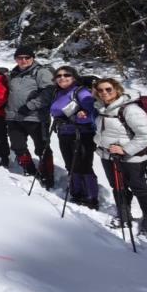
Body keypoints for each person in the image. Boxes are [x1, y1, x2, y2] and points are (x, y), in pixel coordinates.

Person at [94, 77, 147, 233]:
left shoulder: (130, 110)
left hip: (131, 158)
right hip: (108, 156)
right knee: (117, 186)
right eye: (100, 90)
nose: (104, 92)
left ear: (117, 89)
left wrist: (125, 150)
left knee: (139, 188)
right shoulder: (102, 109)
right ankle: (124, 216)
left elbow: (145, 135)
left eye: (108, 89)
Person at [5, 46, 55, 187]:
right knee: (17, 146)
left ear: (33, 58)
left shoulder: (41, 72)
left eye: (27, 57)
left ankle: (48, 175)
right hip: (14, 117)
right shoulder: (13, 74)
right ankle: (30, 170)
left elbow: (49, 92)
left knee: (42, 148)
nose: (24, 60)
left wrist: (30, 106)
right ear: (16, 59)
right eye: (20, 58)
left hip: (35, 117)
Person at [50, 66, 99, 209]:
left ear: (74, 77)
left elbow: (92, 113)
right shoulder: (58, 92)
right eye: (59, 75)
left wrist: (79, 118)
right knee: (70, 164)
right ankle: (76, 192)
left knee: (84, 165)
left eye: (67, 75)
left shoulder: (81, 92)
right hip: (64, 133)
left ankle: (91, 197)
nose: (62, 78)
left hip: (82, 134)